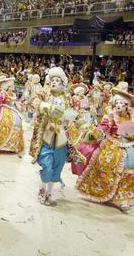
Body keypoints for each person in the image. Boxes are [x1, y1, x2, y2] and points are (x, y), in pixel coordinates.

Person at [75, 88, 134, 212]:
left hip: (131, 144)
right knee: (108, 163)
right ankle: (108, 190)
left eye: (121, 103)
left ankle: (124, 198)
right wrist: (93, 135)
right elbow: (102, 128)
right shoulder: (111, 116)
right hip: (113, 143)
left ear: (127, 105)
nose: (119, 106)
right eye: (117, 104)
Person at [29, 67, 84, 206]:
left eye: (57, 80)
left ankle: (49, 194)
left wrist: (87, 128)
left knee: (57, 168)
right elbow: (32, 100)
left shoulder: (68, 99)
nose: (53, 83)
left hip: (60, 139)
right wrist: (47, 107)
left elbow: (76, 115)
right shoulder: (44, 94)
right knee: (46, 166)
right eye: (52, 80)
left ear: (62, 83)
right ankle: (42, 189)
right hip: (46, 137)